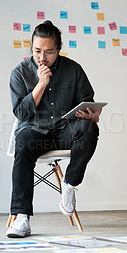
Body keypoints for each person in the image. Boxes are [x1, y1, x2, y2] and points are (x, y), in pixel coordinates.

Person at [7, 20, 102, 238]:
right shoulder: (20, 73)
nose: (42, 57)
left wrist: (93, 115)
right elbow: (21, 113)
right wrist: (40, 84)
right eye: (37, 51)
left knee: (89, 128)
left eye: (49, 52)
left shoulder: (74, 70)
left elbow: (87, 102)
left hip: (63, 133)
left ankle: (69, 185)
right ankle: (22, 218)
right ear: (31, 47)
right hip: (34, 132)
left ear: (58, 49)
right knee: (22, 142)